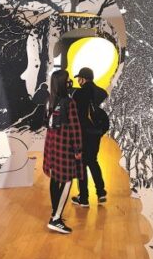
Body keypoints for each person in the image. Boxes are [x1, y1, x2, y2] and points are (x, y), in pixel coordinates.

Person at [43, 70, 83, 234]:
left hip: (51, 145)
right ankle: (56, 219)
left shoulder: (49, 100)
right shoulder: (69, 102)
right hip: (65, 147)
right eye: (67, 80)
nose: (69, 82)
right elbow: (75, 127)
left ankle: (55, 212)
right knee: (67, 181)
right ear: (62, 83)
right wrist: (78, 148)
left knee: (55, 179)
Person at [71, 67, 108, 207]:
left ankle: (84, 198)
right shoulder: (102, 93)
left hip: (83, 134)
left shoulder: (78, 94)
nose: (78, 81)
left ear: (83, 79)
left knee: (81, 164)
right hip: (96, 133)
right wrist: (100, 131)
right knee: (93, 161)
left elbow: (75, 117)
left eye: (79, 78)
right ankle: (101, 192)